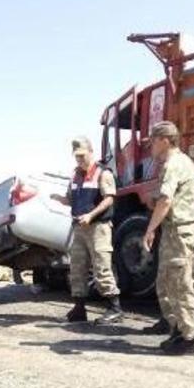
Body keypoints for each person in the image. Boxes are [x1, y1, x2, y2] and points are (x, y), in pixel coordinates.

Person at [141, 121, 194, 355]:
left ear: (164, 140)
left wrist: (150, 229)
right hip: (179, 229)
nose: (150, 146)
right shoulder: (182, 161)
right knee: (169, 280)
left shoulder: (173, 164)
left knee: (179, 282)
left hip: (179, 230)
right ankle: (180, 328)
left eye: (153, 140)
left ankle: (191, 335)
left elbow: (167, 200)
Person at [50, 136, 122, 325]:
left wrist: (90, 215)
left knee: (101, 267)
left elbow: (109, 199)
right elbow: (71, 200)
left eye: (82, 155)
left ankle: (115, 308)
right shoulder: (75, 175)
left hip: (98, 227)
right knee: (77, 268)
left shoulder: (102, 173)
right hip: (79, 228)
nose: (79, 159)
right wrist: (59, 199)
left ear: (91, 152)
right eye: (76, 156)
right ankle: (79, 309)